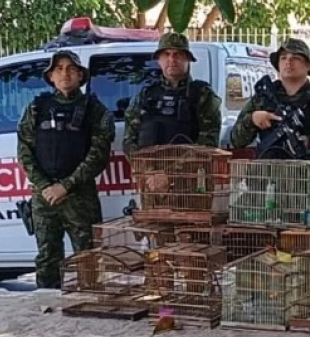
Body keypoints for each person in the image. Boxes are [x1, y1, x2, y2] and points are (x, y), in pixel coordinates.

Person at [17, 50, 114, 289]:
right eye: (59, 69)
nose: (65, 73)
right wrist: (45, 186)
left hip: (79, 196)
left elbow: (98, 155)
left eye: (71, 68)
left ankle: (89, 304)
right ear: (50, 76)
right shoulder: (36, 108)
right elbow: (24, 151)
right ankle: (48, 309)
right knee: (47, 257)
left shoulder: (95, 110)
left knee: (88, 257)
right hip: (45, 197)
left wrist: (66, 186)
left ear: (81, 75)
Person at [230, 38, 310, 162]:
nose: (288, 62)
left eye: (296, 58)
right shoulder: (263, 98)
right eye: (283, 58)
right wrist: (252, 119)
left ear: (308, 66)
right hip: (267, 175)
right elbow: (236, 140)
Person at [123, 32, 222, 157]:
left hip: (190, 173)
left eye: (178, 54)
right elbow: (129, 140)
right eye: (166, 54)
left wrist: (173, 168)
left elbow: (208, 144)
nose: (172, 60)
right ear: (159, 60)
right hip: (149, 173)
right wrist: (147, 169)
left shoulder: (203, 95)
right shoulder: (145, 95)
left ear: (188, 59)